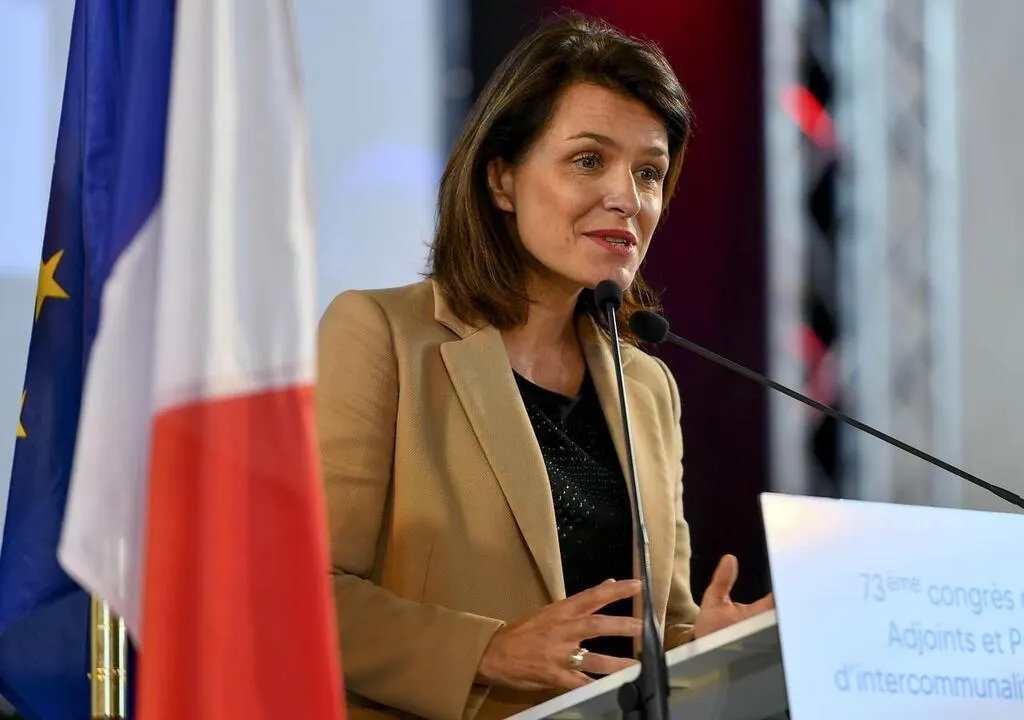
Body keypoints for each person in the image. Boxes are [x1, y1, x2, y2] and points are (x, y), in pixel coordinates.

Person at [316, 12, 774, 720]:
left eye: (649, 172)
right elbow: (305, 590)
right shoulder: (380, 335)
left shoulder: (647, 387)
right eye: (589, 160)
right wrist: (488, 651)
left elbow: (657, 633)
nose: (628, 198)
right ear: (501, 179)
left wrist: (708, 647)